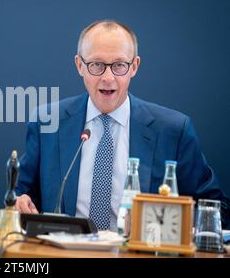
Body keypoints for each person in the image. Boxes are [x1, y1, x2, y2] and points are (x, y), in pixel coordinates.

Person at [15, 20, 229, 230]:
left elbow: (214, 211)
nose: (108, 78)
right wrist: (20, 202)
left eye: (119, 65)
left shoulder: (173, 130)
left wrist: (166, 227)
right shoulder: (48, 121)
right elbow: (19, 194)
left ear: (134, 67)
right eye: (96, 65)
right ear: (80, 66)